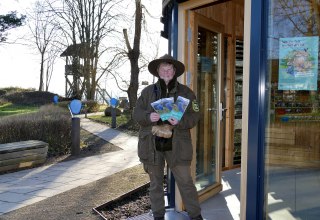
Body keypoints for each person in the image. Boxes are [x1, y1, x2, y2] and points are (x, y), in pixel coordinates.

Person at [133, 54, 203, 220]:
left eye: (169, 68)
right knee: (156, 184)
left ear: (175, 71)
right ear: (157, 71)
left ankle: (196, 215)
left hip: (178, 145)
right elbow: (136, 113)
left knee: (185, 182)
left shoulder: (186, 93)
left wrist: (180, 120)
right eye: (162, 69)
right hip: (152, 145)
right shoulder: (147, 92)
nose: (166, 71)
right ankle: (158, 216)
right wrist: (148, 117)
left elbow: (195, 116)